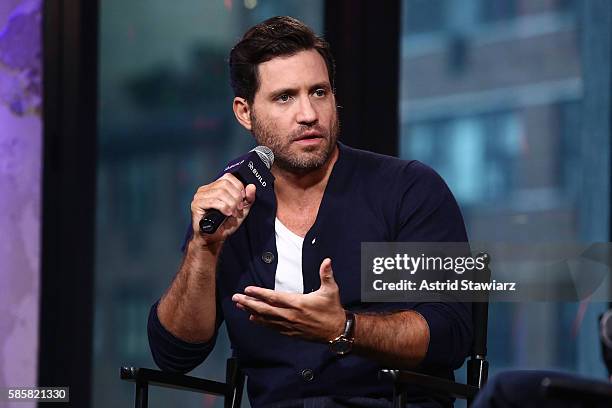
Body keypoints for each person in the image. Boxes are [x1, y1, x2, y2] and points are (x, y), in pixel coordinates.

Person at [148, 16, 472, 408]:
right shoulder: (232, 197)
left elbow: (451, 334)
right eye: (285, 97)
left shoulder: (411, 188)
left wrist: (343, 328)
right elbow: (175, 354)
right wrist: (204, 247)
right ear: (245, 112)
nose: (308, 114)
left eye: (318, 92)